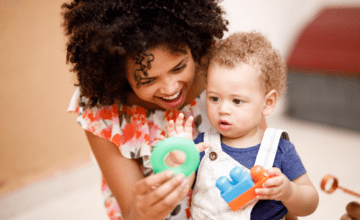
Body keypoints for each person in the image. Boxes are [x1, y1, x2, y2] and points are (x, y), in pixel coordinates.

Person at [62, 0, 230, 219]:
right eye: (148, 79)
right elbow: (132, 211)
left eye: (179, 67)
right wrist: (142, 211)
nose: (171, 89)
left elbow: (264, 151)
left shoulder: (222, 67)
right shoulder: (102, 109)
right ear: (118, 74)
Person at [168, 32, 319, 219]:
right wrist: (179, 160)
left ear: (268, 103)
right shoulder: (203, 145)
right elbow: (175, 194)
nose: (223, 109)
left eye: (237, 101)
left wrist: (289, 192)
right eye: (214, 98)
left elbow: (310, 204)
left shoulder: (279, 149)